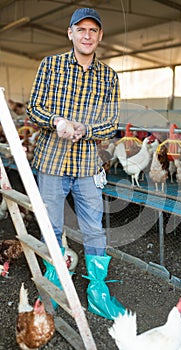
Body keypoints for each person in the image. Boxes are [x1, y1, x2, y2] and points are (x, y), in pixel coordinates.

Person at [26, 7, 125, 320]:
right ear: (70, 33)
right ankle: (54, 282)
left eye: (93, 30)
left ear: (99, 36)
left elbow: (111, 122)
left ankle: (97, 291)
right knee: (52, 227)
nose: (87, 35)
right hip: (51, 162)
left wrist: (87, 130)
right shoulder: (51, 65)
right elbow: (33, 108)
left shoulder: (109, 76)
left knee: (94, 230)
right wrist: (55, 120)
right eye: (80, 29)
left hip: (86, 166)